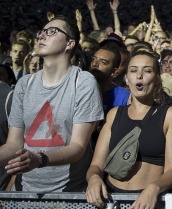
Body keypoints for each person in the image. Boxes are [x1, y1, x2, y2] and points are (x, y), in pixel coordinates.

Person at [0, 16, 104, 192]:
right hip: (25, 191)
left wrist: (39, 159)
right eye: (42, 32)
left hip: (67, 193)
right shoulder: (24, 85)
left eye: (52, 32)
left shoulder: (83, 82)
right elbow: (14, 144)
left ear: (70, 44)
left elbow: (78, 147)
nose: (42, 36)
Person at [86, 48, 172, 209]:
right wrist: (94, 179)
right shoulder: (114, 114)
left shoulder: (170, 114)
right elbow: (96, 165)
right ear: (126, 77)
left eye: (147, 71)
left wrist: (153, 188)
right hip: (110, 201)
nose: (139, 76)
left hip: (150, 205)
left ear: (157, 79)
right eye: (133, 71)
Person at [89, 43, 130, 115]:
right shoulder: (78, 88)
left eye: (103, 62)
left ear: (114, 71)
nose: (95, 64)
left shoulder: (124, 98)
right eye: (93, 59)